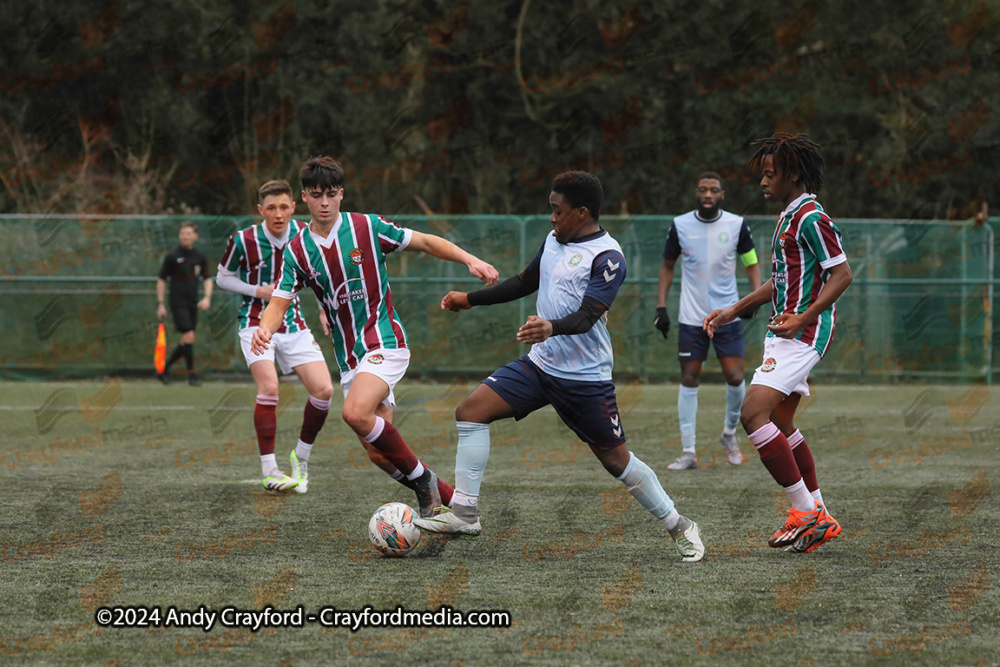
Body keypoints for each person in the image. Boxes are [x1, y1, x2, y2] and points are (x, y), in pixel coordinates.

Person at [414, 171, 705, 563]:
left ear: (581, 212)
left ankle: (679, 525)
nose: (551, 218)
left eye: (557, 210)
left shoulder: (608, 257)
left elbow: (587, 316)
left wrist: (550, 326)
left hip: (585, 380)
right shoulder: (554, 240)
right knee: (470, 412)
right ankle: (465, 514)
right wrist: (470, 298)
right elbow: (524, 281)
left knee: (616, 460)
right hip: (540, 367)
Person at [250, 156, 499, 517]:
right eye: (317, 195)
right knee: (378, 453)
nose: (324, 203)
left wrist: (470, 260)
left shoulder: (367, 227)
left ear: (341, 195)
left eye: (331, 195)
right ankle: (456, 504)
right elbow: (278, 302)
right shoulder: (298, 251)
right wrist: (265, 329)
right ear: (304, 196)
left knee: (354, 413)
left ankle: (425, 482)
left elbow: (426, 242)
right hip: (350, 358)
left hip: (384, 341)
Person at [704, 133, 852, 554]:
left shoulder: (810, 217)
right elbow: (782, 280)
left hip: (802, 333)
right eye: (763, 174)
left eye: (771, 174)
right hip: (784, 332)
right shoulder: (789, 216)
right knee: (782, 424)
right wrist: (735, 309)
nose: (763, 182)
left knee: (753, 413)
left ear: (794, 174)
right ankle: (818, 512)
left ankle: (805, 513)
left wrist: (805, 316)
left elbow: (842, 275)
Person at [216, 180, 335, 493]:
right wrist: (257, 291)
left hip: (293, 322)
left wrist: (325, 308)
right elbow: (222, 277)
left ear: (294, 207)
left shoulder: (305, 234)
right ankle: (270, 469)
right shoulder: (243, 240)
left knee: (324, 391)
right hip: (255, 322)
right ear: (260, 211)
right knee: (269, 387)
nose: (278, 214)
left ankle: (301, 457)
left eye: (284, 207)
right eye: (271, 208)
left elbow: (319, 275)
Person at [655, 172, 762, 470]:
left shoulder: (737, 225)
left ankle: (729, 435)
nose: (707, 195)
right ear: (696, 192)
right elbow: (667, 267)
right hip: (691, 318)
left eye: (713, 190)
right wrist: (661, 307)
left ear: (722, 194)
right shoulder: (679, 225)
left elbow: (752, 264)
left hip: (728, 315)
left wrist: (754, 298)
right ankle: (688, 452)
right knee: (689, 377)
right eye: (702, 189)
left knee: (735, 377)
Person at [156, 221, 212, 386]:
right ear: (180, 235)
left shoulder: (200, 256)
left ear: (195, 236)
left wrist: (207, 297)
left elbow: (207, 278)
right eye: (183, 233)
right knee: (189, 336)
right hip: (177, 302)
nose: (185, 236)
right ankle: (192, 375)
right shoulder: (172, 256)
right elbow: (161, 280)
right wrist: (160, 303)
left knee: (187, 340)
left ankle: (164, 370)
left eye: (189, 233)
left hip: (193, 303)